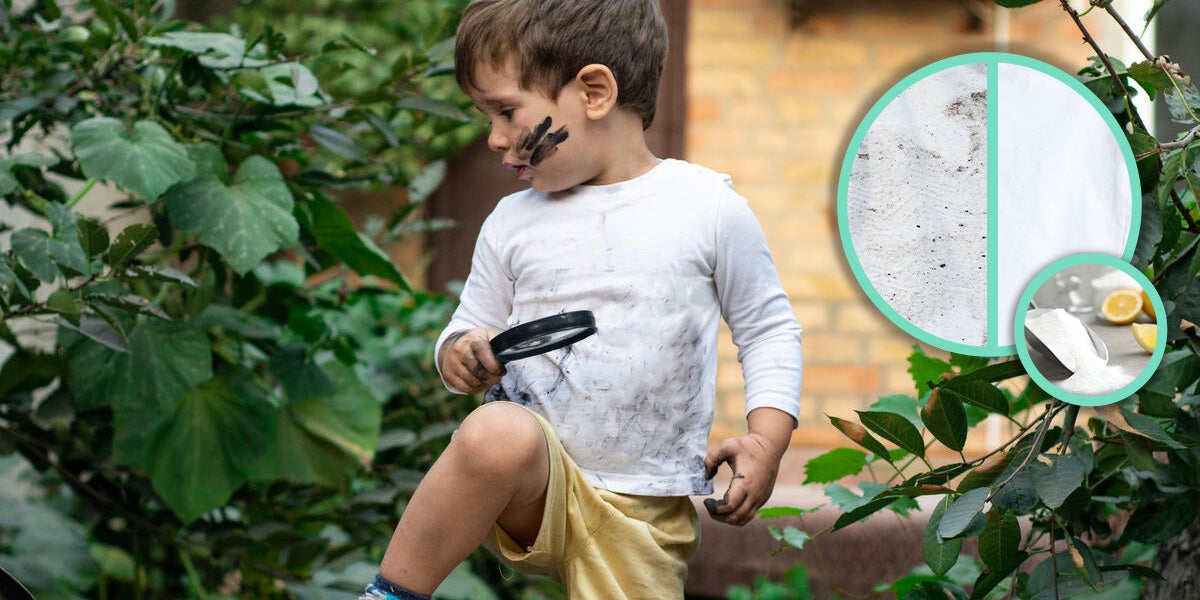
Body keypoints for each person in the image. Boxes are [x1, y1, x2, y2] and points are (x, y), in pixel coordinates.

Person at [362, 0, 803, 597]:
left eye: (505, 111)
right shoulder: (512, 222)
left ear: (594, 92)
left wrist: (765, 442)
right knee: (495, 432)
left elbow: (768, 329)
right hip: (537, 485)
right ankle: (391, 594)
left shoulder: (707, 209)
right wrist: (462, 353)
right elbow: (469, 326)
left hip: (642, 510)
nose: (493, 138)